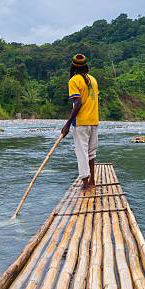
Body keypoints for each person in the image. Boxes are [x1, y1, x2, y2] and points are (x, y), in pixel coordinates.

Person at [61, 54, 99, 189]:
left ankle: (85, 183)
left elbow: (77, 103)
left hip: (81, 122)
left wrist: (67, 124)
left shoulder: (74, 81)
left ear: (73, 66)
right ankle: (92, 181)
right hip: (94, 120)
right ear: (86, 66)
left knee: (81, 152)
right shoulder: (93, 80)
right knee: (91, 152)